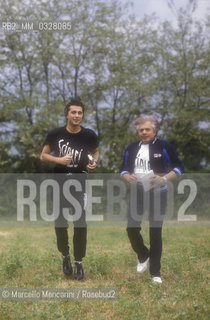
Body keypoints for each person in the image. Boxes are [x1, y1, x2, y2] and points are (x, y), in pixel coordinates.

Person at [40, 97, 99, 280]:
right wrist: (59, 160)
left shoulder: (89, 135)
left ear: (82, 115)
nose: (76, 115)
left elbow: (95, 151)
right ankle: (65, 256)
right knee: (61, 222)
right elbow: (43, 155)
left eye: (80, 112)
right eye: (73, 112)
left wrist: (94, 162)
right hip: (60, 181)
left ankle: (79, 262)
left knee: (80, 223)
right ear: (67, 114)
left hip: (80, 181)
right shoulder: (56, 134)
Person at [120, 115, 184, 283]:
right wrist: (127, 177)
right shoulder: (132, 148)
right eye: (141, 130)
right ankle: (143, 255)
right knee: (131, 228)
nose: (144, 132)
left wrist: (163, 179)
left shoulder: (164, 146)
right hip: (138, 192)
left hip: (158, 192)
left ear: (154, 130)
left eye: (147, 129)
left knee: (155, 232)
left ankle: (155, 272)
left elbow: (178, 167)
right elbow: (123, 169)